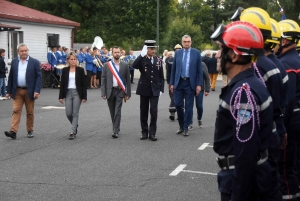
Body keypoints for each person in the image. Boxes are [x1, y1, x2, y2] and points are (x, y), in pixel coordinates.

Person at [211, 21, 273, 200]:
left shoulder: (242, 92)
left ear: (235, 55)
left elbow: (246, 155)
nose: (217, 55)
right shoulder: (250, 84)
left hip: (240, 183)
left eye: (222, 49)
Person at [276, 19, 300, 200]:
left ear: (284, 41)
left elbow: (288, 101)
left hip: (292, 122)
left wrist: (281, 129)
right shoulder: (295, 59)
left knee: (285, 168)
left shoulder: (286, 64)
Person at [4, 43, 42, 139]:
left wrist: (37, 90)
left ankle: (30, 130)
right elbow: (11, 77)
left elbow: (39, 77)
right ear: (18, 52)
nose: (24, 52)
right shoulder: (14, 62)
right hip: (17, 91)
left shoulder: (34, 62)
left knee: (29, 112)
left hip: (30, 91)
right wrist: (8, 91)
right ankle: (13, 131)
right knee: (16, 110)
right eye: (22, 51)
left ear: (27, 51)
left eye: (25, 50)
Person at [131, 40, 164, 141]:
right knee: (144, 111)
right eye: (151, 49)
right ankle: (144, 132)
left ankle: (152, 133)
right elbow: (133, 65)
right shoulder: (142, 59)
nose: (153, 51)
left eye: (154, 49)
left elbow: (161, 76)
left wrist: (161, 89)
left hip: (155, 89)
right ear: (147, 49)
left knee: (153, 111)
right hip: (144, 89)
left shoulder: (158, 60)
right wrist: (141, 55)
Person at [170, 35, 203, 136]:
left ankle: (185, 127)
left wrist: (199, 84)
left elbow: (199, 71)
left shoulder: (196, 53)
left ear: (191, 42)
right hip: (179, 82)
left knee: (189, 107)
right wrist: (171, 83)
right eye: (185, 41)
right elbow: (174, 69)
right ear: (182, 42)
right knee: (178, 104)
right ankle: (181, 125)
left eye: (188, 41)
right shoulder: (178, 53)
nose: (187, 43)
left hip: (190, 83)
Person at [101, 46, 131, 138]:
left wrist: (128, 93)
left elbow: (128, 80)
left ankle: (115, 130)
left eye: (118, 52)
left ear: (120, 53)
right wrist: (103, 92)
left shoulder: (125, 65)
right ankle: (116, 127)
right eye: (115, 52)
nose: (117, 54)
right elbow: (103, 79)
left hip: (120, 91)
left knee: (117, 111)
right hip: (110, 91)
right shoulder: (107, 65)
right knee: (112, 111)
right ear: (112, 53)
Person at [59, 52, 87, 140]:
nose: (73, 61)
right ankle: (75, 124)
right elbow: (62, 84)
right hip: (68, 92)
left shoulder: (80, 70)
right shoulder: (65, 70)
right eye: (71, 59)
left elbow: (84, 84)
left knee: (75, 113)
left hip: (77, 93)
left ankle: (72, 131)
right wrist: (60, 96)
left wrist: (84, 96)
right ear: (68, 60)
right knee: (68, 113)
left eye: (75, 59)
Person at [188, 61, 210, 129]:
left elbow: (207, 77)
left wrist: (207, 89)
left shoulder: (202, 64)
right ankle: (190, 122)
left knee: (199, 105)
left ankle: (199, 119)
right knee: (189, 106)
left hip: (200, 88)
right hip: (189, 88)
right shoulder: (188, 63)